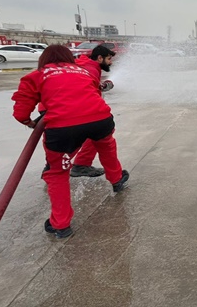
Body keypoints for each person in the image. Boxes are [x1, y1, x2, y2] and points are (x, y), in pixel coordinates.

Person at [12, 45, 129, 239]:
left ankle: (61, 224)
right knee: (107, 147)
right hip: (100, 119)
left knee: (57, 172)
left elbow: (21, 110)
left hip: (63, 127)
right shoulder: (82, 71)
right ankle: (117, 181)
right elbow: (92, 93)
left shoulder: (37, 75)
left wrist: (29, 122)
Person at [70, 45, 116, 177]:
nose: (110, 62)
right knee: (101, 130)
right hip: (69, 109)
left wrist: (101, 86)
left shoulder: (85, 65)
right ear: (99, 58)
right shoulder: (91, 69)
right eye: (108, 59)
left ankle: (51, 167)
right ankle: (81, 164)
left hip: (60, 107)